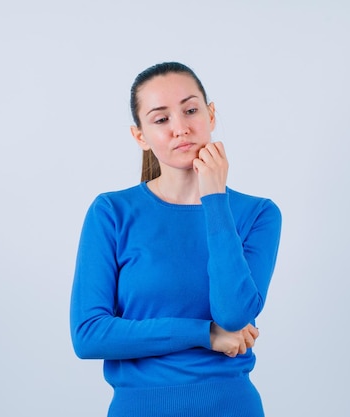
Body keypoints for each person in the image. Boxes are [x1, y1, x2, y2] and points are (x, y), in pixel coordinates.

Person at [70, 62, 282, 417]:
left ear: (211, 115)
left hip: (230, 407)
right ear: (141, 136)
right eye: (161, 119)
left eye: (190, 110)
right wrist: (205, 334)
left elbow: (232, 314)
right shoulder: (111, 212)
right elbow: (89, 334)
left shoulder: (258, 214)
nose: (181, 128)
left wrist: (214, 198)